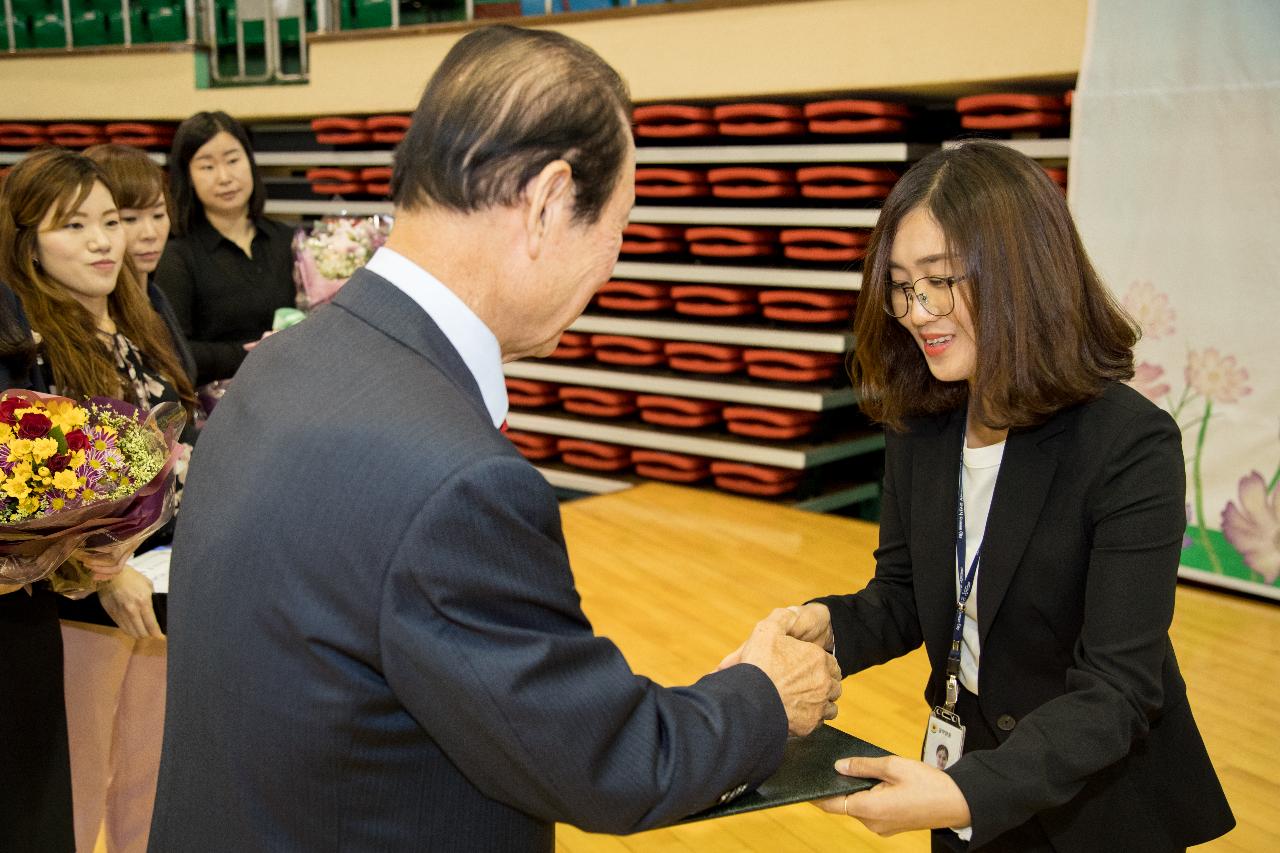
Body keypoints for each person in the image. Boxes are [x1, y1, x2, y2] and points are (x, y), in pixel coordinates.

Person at [149, 25, 841, 853]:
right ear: (550, 203)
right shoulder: (457, 483)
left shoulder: (286, 360)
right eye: (619, 225)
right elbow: (605, 761)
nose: (615, 263)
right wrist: (762, 694)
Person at [728, 141, 1235, 852]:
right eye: (902, 285)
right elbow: (906, 593)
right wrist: (825, 624)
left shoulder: (1129, 444)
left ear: (1022, 271)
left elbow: (1118, 690)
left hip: (1098, 811)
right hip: (962, 787)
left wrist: (967, 790)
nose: (916, 310)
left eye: (939, 280)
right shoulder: (923, 423)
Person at [0, 147, 199, 853]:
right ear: (27, 244)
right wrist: (103, 570)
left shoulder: (142, 312)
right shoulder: (30, 346)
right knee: (78, 796)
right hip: (80, 604)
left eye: (109, 220)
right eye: (72, 226)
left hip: (168, 582)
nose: (101, 241)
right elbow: (31, 495)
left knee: (153, 784)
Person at [0, 281, 75, 853]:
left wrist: (72, 527)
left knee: (34, 812)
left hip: (22, 599)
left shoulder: (5, 298)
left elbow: (42, 422)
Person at [152, 111, 295, 385]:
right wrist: (248, 353)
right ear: (187, 176)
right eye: (207, 167)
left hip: (289, 390)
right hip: (216, 405)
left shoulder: (285, 239)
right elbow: (173, 350)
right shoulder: (177, 256)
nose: (225, 177)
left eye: (233, 160)